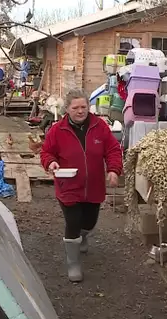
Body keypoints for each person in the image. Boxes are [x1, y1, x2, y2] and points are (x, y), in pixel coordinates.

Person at [40, 88, 123, 282]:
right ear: (67, 109)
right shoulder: (57, 130)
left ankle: (83, 236)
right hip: (67, 186)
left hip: (94, 186)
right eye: (75, 107)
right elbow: (46, 153)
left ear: (88, 106)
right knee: (73, 222)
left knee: (89, 221)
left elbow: (113, 149)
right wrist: (50, 163)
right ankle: (73, 263)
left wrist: (113, 170)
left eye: (83, 107)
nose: (80, 111)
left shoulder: (99, 126)